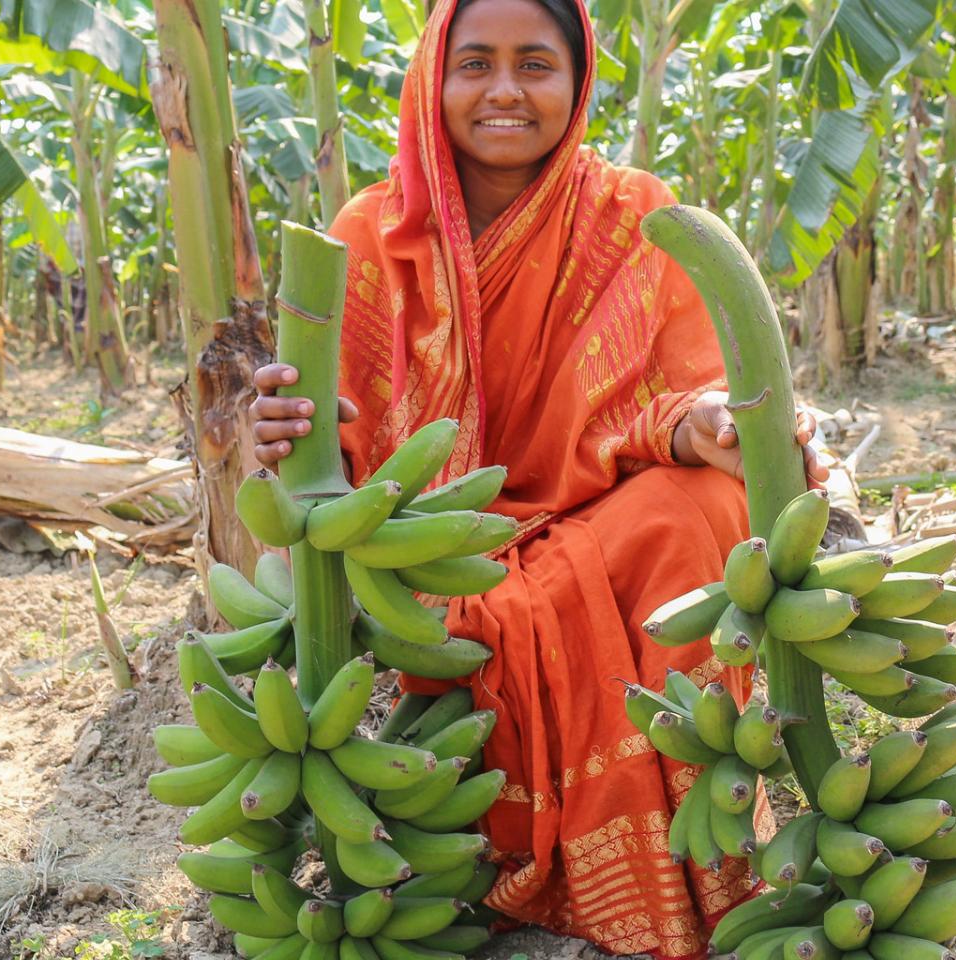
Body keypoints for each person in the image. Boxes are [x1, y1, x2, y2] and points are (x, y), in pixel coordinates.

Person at [248, 0, 824, 955]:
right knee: (491, 584)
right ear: (433, 76)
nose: (505, 91)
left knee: (703, 510)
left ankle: (705, 850)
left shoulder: (634, 214)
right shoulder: (368, 234)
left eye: (535, 65)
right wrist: (278, 428)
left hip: (602, 518)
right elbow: (329, 455)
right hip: (435, 553)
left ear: (579, 77)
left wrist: (716, 422)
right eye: (474, 64)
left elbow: (676, 393)